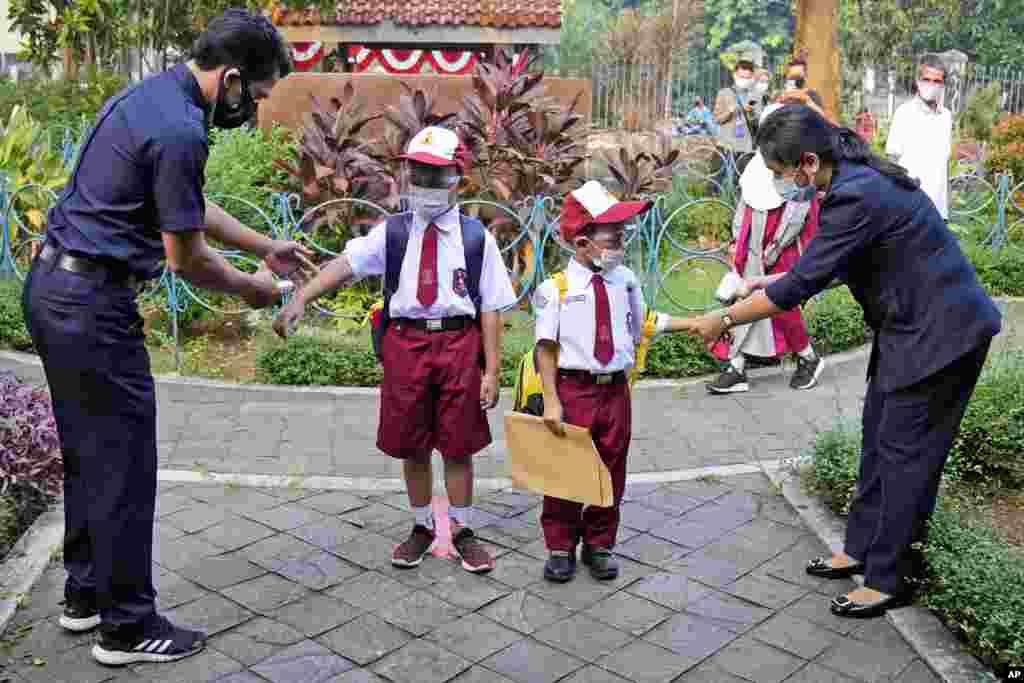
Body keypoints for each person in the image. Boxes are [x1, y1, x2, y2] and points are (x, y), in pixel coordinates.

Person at [21, 9, 310, 666]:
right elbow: (187, 259)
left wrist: (266, 244)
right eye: (256, 96)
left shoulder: (156, 95)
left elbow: (186, 202)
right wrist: (251, 286)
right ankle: (127, 628)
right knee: (123, 462)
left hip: (53, 290)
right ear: (232, 79)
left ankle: (86, 594)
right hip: (92, 305)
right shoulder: (182, 128)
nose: (253, 108)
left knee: (88, 453)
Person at [680, 105, 1001, 618]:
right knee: (878, 438)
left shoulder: (857, 192)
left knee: (906, 457)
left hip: (943, 337)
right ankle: (860, 551)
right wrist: (772, 284)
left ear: (808, 162)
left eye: (783, 175)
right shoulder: (853, 180)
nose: (784, 186)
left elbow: (801, 284)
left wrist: (722, 320)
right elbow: (835, 262)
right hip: (909, 330)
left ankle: (890, 576)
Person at [274, 126, 517, 575]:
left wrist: (492, 370)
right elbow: (345, 265)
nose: (425, 185)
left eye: (435, 175)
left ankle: (462, 529)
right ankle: (423, 525)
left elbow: (491, 309)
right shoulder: (393, 233)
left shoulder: (475, 238)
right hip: (405, 344)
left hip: (458, 344)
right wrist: (302, 297)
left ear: (457, 178)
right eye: (417, 174)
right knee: (413, 445)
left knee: (459, 445)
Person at [533, 180, 692, 583]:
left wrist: (696, 324)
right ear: (583, 242)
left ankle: (600, 543)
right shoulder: (557, 290)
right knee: (567, 469)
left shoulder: (625, 281)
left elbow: (645, 323)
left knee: (611, 466)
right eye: (612, 237)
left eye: (622, 236)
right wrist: (552, 400)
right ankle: (560, 545)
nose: (621, 243)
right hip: (574, 388)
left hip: (614, 390)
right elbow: (546, 348)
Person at [708, 150, 823, 394]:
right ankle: (737, 367)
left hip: (783, 250)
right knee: (744, 301)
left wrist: (774, 251)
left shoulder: (796, 170)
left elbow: (801, 216)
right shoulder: (756, 168)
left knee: (781, 303)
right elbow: (744, 209)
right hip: (752, 247)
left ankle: (808, 357)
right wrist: (738, 243)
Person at [886, 57, 953, 220]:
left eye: (937, 81)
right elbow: (892, 160)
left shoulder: (946, 117)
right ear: (918, 81)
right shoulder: (904, 113)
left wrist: (946, 204)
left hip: (937, 209)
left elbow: (945, 163)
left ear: (942, 85)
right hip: (908, 205)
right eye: (927, 79)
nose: (932, 85)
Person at [711, 59, 761, 191]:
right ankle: (710, 205)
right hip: (725, 143)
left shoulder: (755, 96)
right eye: (741, 76)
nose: (743, 80)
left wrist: (751, 114)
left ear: (751, 78)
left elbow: (759, 122)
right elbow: (717, 118)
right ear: (734, 75)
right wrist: (731, 110)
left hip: (745, 146)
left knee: (741, 184)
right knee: (715, 182)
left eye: (747, 77)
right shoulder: (724, 93)